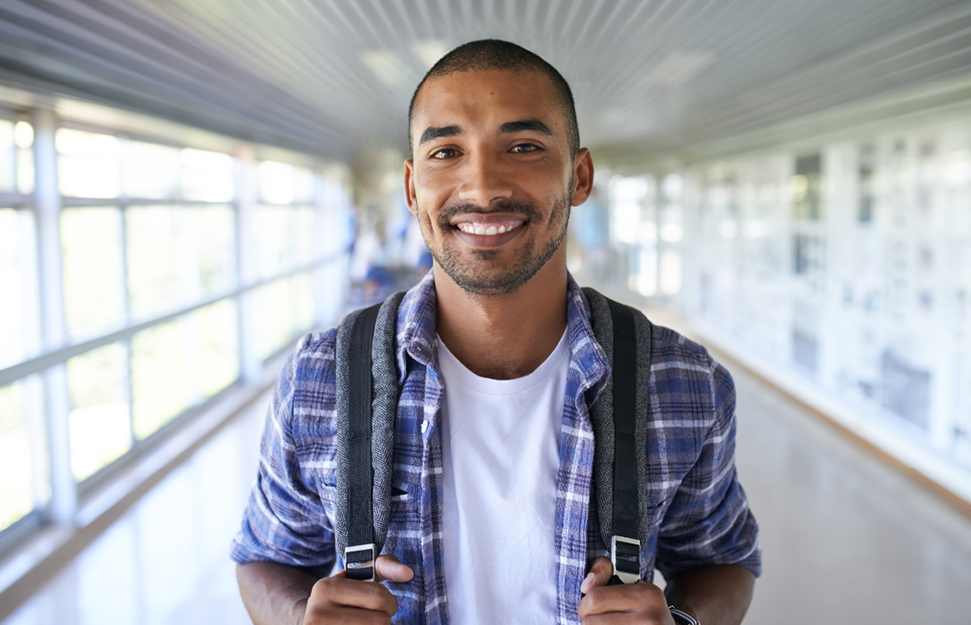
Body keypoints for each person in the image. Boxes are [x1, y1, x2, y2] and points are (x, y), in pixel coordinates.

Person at [232, 39, 760, 625]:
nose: (482, 188)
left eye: (524, 146)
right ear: (413, 189)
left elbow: (722, 561)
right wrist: (298, 616)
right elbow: (265, 561)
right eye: (446, 151)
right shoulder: (321, 379)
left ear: (579, 176)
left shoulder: (683, 383)